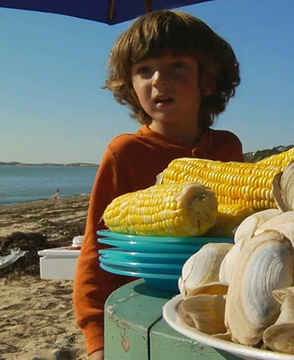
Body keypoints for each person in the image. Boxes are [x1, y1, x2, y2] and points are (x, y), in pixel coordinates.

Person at [73, 10, 244, 359]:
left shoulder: (227, 147)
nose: (158, 80)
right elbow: (96, 248)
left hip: (216, 302)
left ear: (207, 79)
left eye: (177, 65)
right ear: (131, 87)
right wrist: (96, 338)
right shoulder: (126, 152)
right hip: (142, 304)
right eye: (143, 70)